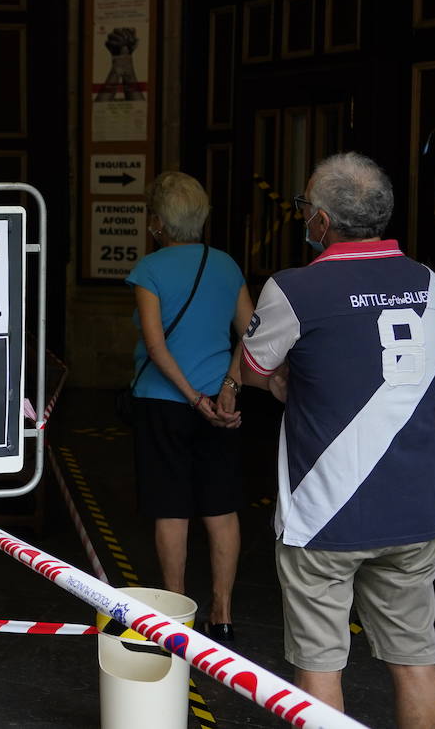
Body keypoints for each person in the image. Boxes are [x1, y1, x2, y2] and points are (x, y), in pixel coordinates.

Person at [241, 153, 435, 723]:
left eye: (307, 209)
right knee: (417, 664)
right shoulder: (428, 283)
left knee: (320, 668)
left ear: (324, 223)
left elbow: (253, 368)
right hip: (413, 509)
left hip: (324, 513)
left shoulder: (293, 289)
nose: (305, 219)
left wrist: (288, 381)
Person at [125, 171, 253, 642]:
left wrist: (193, 398)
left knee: (171, 508)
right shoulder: (226, 265)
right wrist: (228, 388)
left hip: (164, 403)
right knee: (221, 508)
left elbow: (156, 349)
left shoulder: (150, 270)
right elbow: (251, 333)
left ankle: (176, 612)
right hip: (222, 407)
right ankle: (222, 613)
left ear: (158, 221)